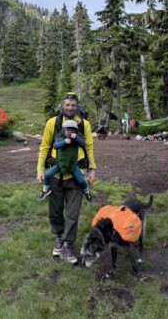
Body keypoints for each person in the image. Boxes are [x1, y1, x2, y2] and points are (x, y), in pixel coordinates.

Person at [36, 93, 97, 264]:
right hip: (55, 175)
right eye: (67, 104)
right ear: (62, 105)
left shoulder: (84, 125)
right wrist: (40, 169)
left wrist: (92, 169)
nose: (70, 107)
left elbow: (89, 148)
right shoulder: (52, 123)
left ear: (77, 106)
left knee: (73, 213)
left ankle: (67, 244)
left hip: (75, 176)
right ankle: (59, 236)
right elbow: (45, 147)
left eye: (73, 105)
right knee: (55, 213)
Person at [36, 120, 92, 203]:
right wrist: (64, 142)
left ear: (75, 131)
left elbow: (83, 144)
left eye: (72, 130)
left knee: (81, 180)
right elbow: (55, 146)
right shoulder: (60, 137)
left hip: (73, 166)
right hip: (60, 164)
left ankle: (86, 191)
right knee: (47, 175)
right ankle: (45, 191)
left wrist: (75, 137)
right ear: (64, 130)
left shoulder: (76, 139)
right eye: (68, 130)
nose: (69, 132)